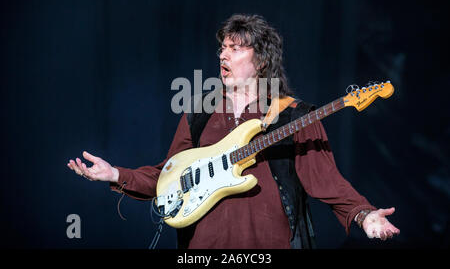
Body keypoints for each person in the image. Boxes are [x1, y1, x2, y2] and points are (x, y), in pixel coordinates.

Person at [67, 14, 400, 249]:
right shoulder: (198, 116)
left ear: (262, 61)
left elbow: (328, 182)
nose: (223, 55)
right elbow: (166, 176)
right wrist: (115, 174)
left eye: (236, 48)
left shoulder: (293, 116)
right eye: (222, 49)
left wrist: (364, 216)